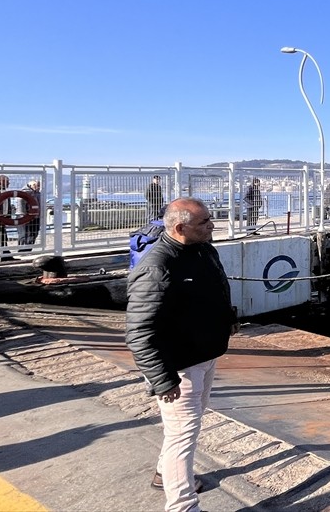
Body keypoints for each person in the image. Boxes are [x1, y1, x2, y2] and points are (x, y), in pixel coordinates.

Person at [125, 198, 236, 512]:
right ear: (180, 227)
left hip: (205, 354)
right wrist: (163, 380)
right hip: (180, 366)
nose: (212, 226)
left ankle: (164, 473)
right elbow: (138, 332)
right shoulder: (157, 266)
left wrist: (227, 320)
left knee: (191, 425)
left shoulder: (204, 250)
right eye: (204, 222)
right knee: (182, 436)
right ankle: (182, 506)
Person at [19, 180, 42, 249]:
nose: (38, 187)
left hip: (36, 216)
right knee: (24, 234)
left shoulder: (37, 193)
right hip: (26, 217)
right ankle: (23, 249)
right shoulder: (25, 192)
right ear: (31, 185)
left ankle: (29, 248)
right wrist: (24, 216)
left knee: (34, 233)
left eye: (39, 186)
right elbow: (21, 205)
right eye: (36, 185)